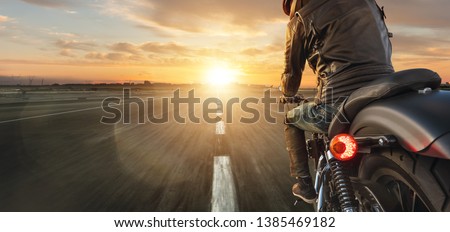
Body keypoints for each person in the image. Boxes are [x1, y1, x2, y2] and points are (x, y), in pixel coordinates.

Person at [280, 0, 394, 203]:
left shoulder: (301, 19)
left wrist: (286, 93)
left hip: (340, 101)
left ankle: (305, 184)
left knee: (290, 119)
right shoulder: (370, 5)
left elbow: (291, 77)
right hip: (386, 91)